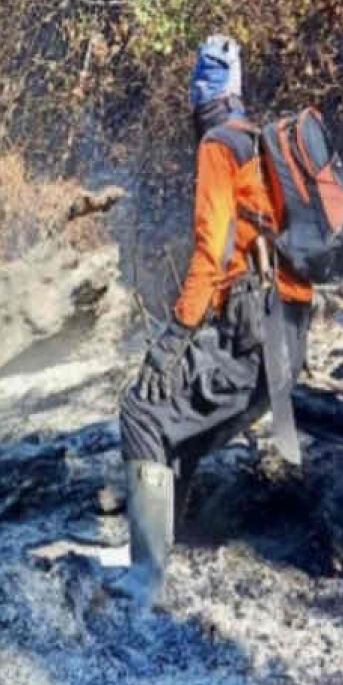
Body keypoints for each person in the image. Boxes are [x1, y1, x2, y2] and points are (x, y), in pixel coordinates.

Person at [116, 34, 314, 609]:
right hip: (286, 341)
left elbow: (211, 250)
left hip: (254, 338)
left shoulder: (218, 149)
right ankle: (175, 535)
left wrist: (172, 339)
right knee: (184, 424)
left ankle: (145, 578)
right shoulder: (261, 144)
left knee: (142, 412)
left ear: (198, 94)